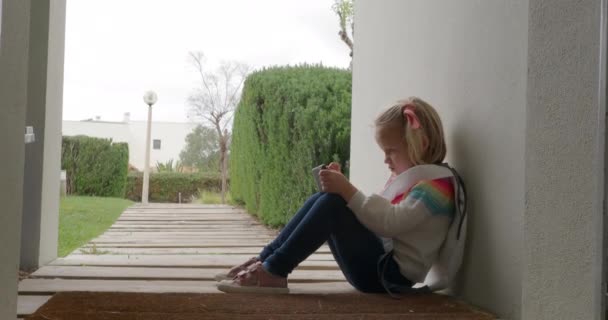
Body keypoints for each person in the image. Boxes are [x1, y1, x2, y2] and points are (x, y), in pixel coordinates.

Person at [216, 97, 467, 295]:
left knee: (334, 203)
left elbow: (389, 223)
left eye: (391, 151)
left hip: (387, 278)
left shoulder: (436, 188)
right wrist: (343, 190)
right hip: (379, 267)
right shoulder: (420, 180)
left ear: (419, 144)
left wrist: (346, 191)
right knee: (325, 199)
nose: (385, 159)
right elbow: (379, 220)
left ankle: (274, 271)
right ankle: (266, 260)